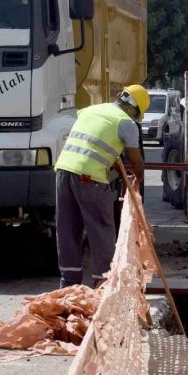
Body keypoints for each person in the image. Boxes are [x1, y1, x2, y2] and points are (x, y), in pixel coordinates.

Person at [54, 85, 149, 288]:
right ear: (134, 110)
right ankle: (103, 283)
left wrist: (112, 161)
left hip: (63, 171)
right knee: (101, 229)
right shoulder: (126, 123)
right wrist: (138, 180)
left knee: (68, 229)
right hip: (90, 178)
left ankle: (69, 283)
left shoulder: (91, 110)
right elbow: (135, 159)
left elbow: (93, 141)